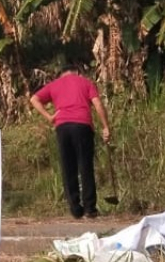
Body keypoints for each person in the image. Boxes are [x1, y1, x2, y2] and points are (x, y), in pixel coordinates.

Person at [29, 64, 111, 218]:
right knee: (85, 166)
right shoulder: (85, 82)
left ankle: (75, 209)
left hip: (63, 126)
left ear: (62, 74)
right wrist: (106, 127)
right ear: (77, 72)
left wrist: (49, 117)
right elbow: (98, 104)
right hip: (82, 125)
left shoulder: (54, 84)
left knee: (68, 168)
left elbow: (34, 99)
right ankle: (90, 209)